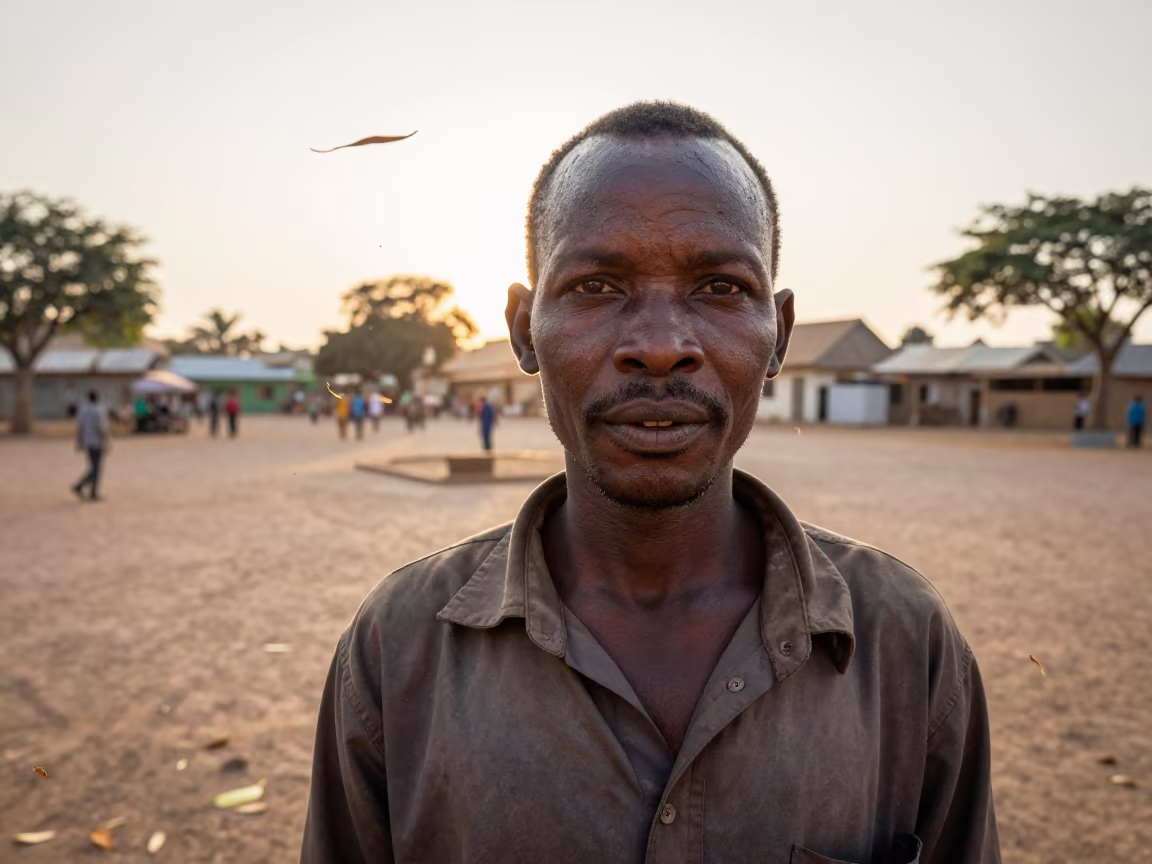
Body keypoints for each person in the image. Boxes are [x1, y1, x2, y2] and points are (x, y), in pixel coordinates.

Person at [301, 102, 999, 864]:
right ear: (524, 328)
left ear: (781, 335)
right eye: (598, 286)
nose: (661, 347)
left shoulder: (904, 641)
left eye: (721, 288)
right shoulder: (398, 646)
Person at [71, 390, 109, 501]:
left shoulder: (83, 410)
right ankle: (83, 487)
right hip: (97, 442)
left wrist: (79, 441)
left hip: (88, 441)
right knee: (97, 468)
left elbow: (80, 426)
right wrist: (106, 440)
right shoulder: (98, 409)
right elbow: (101, 427)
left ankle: (91, 491)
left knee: (93, 466)